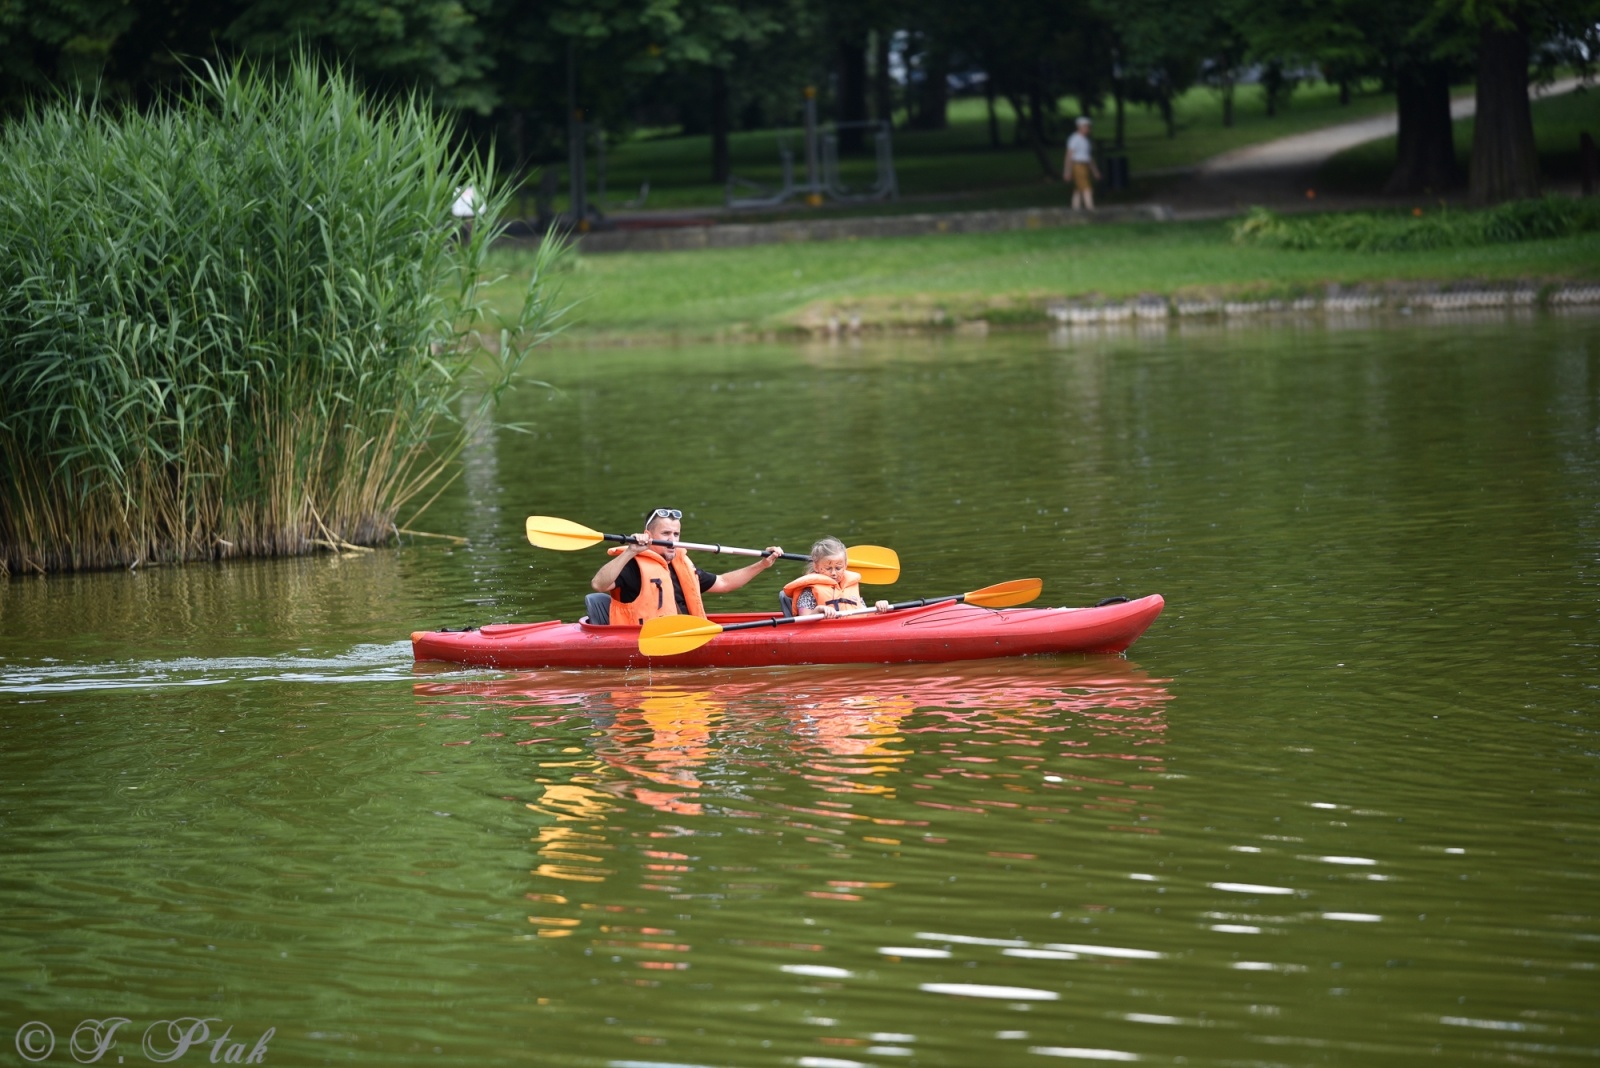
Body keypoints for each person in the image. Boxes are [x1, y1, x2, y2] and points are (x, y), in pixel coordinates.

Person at [590, 508, 783, 626]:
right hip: (648, 641)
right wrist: (630, 551)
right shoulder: (633, 566)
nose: (672, 540)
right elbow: (599, 584)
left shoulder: (681, 565)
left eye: (676, 534)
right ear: (648, 534)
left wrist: (762, 564)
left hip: (687, 635)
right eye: (666, 533)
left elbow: (723, 583)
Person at [782, 537, 891, 619]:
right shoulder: (808, 591)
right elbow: (803, 620)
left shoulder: (849, 585)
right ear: (816, 566)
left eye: (838, 568)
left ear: (845, 565)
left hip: (853, 630)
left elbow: (865, 614)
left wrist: (879, 609)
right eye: (828, 568)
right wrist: (818, 610)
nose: (834, 573)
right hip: (823, 632)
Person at [1064, 117, 1100, 211]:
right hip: (1077, 165)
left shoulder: (1086, 140)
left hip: (1084, 166)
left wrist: (1094, 170)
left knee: (1079, 189)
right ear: (1080, 127)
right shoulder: (1074, 139)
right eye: (1086, 126)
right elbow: (1069, 155)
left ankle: (1075, 209)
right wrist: (1067, 171)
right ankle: (1090, 208)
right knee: (1087, 188)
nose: (1088, 129)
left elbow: (1088, 157)